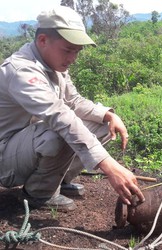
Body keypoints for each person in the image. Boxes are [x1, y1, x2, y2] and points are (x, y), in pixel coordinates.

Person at [0, 6, 145, 212]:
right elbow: (60, 115)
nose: (73, 58)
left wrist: (107, 115)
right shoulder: (22, 71)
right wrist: (108, 165)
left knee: (101, 126)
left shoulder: (53, 64)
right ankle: (39, 193)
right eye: (68, 50)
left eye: (77, 51)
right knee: (60, 130)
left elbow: (74, 101)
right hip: (5, 158)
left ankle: (57, 179)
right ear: (42, 40)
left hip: (26, 146)